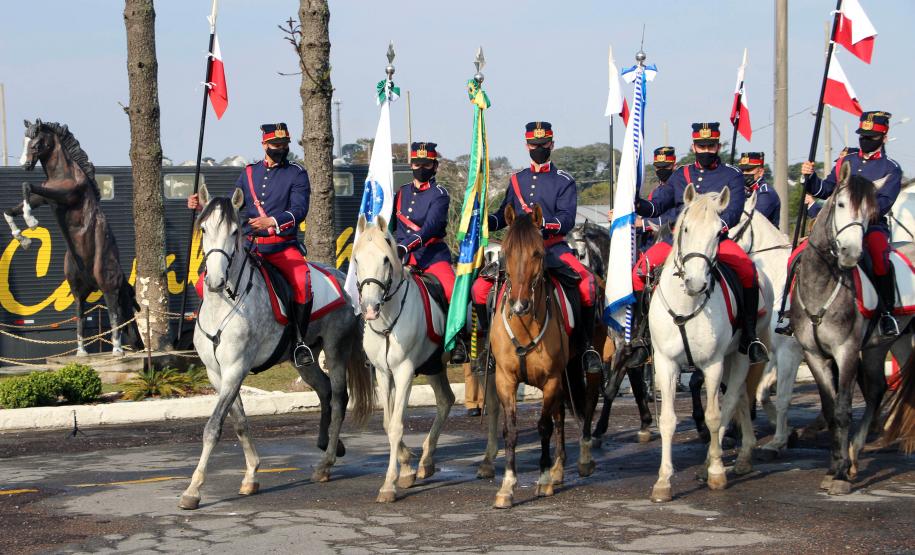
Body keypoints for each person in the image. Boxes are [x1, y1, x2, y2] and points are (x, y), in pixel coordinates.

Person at [627, 122, 768, 364]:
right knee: (639, 273)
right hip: (678, 242)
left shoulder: (732, 175)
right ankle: (643, 337)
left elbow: (734, 211)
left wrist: (713, 229)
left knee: (747, 270)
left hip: (715, 241)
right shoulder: (680, 175)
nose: (706, 150)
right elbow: (658, 206)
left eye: (711, 146)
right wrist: (637, 202)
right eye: (701, 146)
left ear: (718, 146)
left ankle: (750, 335)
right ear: (693, 147)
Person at [471, 121, 603, 374]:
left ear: (551, 145)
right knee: (479, 289)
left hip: (553, 247)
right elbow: (504, 215)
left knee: (587, 284)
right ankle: (489, 348)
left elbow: (566, 218)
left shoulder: (564, 181)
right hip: (518, 252)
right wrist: (484, 221)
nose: (538, 149)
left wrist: (545, 224)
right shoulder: (517, 180)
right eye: (534, 145)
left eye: (543, 144)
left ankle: (586, 347)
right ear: (527, 146)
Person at [189, 123, 315, 366]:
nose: (281, 148)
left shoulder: (297, 174)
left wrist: (273, 221)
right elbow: (231, 206)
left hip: (281, 247)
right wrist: (202, 207)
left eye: (284, 144)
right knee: (202, 282)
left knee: (303, 283)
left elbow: (299, 210)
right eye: (276, 144)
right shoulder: (249, 173)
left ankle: (299, 342)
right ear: (264, 144)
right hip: (250, 246)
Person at [801, 110, 903, 336]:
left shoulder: (890, 168)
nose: (866, 141)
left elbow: (883, 203)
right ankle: (792, 311)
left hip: (870, 226)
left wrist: (858, 215)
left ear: (884, 138)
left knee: (879, 256)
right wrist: (810, 177)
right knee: (800, 255)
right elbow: (825, 189)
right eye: (863, 136)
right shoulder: (846, 161)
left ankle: (886, 313)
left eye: (871, 137)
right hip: (835, 227)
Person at [738, 152, 781, 227]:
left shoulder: (766, 193)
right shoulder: (743, 190)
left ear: (760, 172)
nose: (744, 173)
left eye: (748, 170)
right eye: (742, 170)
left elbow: (753, 218)